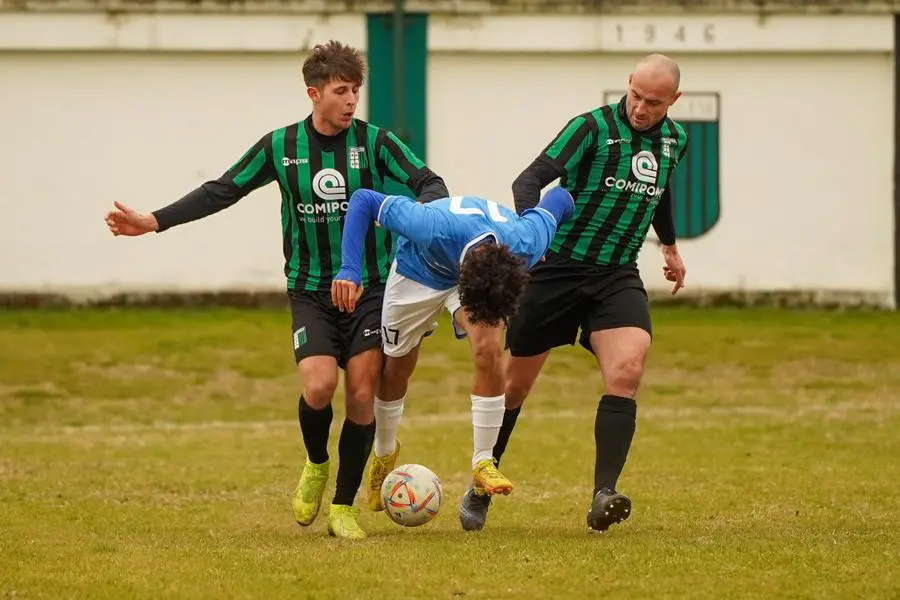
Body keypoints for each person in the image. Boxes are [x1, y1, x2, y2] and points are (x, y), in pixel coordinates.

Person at [103, 40, 448, 540]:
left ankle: (344, 507)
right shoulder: (280, 147)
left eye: (356, 90)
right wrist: (154, 221)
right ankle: (315, 463)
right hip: (310, 290)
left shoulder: (376, 143)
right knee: (318, 386)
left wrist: (426, 216)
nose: (351, 100)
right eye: (340, 90)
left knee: (361, 392)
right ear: (313, 93)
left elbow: (429, 182)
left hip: (372, 287)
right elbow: (223, 189)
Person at [457, 53, 690, 533]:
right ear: (627, 84)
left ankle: (604, 493)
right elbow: (530, 181)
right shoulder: (590, 129)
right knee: (514, 387)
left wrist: (668, 246)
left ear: (674, 101)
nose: (641, 108)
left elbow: (660, 189)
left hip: (616, 275)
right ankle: (482, 485)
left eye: (653, 102)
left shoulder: (675, 140)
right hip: (555, 268)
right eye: (635, 96)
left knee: (627, 369)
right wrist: (532, 238)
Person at [331, 186, 575, 513]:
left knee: (489, 351)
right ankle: (384, 451)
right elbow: (363, 199)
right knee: (396, 369)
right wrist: (349, 268)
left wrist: (553, 242)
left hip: (481, 266)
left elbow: (561, 198)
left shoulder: (527, 241)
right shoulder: (428, 224)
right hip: (418, 272)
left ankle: (483, 460)